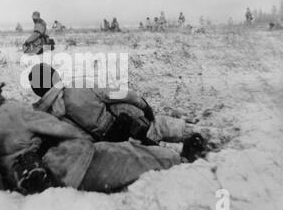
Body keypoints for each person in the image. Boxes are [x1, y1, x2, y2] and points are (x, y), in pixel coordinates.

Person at [0, 72, 187, 194]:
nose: (3, 94)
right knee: (137, 154)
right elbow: (67, 133)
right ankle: (182, 158)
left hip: (27, 178)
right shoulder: (17, 111)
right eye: (0, 90)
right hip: (71, 167)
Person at [29, 63, 209, 152]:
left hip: (102, 149)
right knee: (154, 124)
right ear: (55, 76)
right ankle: (191, 135)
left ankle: (174, 150)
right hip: (121, 129)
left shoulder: (42, 116)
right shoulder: (78, 86)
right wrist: (142, 104)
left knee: (145, 148)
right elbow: (116, 94)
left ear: (38, 91)